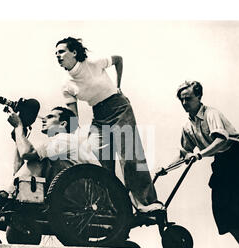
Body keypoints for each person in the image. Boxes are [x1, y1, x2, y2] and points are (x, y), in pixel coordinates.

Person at [54, 36, 163, 214]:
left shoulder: (94, 63)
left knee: (130, 156)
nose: (58, 56)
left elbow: (118, 59)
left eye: (61, 51)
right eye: (55, 53)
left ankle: (145, 203)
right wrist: (75, 137)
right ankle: (110, 209)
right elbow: (74, 117)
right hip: (99, 116)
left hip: (119, 107)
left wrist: (119, 85)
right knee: (98, 162)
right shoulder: (66, 85)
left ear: (74, 52)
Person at [169, 81, 239, 248]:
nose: (185, 103)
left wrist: (200, 154)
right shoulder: (187, 127)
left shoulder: (211, 114)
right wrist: (166, 168)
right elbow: (184, 153)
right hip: (221, 162)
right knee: (221, 207)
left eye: (188, 99)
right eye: (182, 100)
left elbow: (221, 139)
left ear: (199, 97)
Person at [0, 103, 99, 209]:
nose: (44, 119)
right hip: (75, 188)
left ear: (63, 124)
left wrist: (19, 127)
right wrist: (18, 136)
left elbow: (27, 154)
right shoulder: (58, 143)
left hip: (85, 193)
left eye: (50, 117)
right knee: (36, 161)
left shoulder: (65, 138)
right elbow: (18, 171)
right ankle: (6, 198)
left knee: (39, 160)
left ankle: (3, 197)